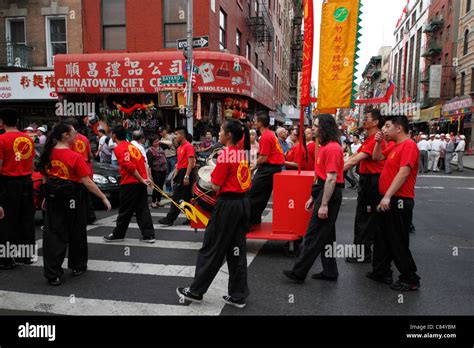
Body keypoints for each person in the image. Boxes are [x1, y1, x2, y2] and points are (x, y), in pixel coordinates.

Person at [177, 119, 252, 309]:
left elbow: (216, 185)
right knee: (237, 250)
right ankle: (238, 295)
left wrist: (213, 172)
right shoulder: (242, 154)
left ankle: (196, 291)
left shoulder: (226, 154)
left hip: (227, 205)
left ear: (228, 135)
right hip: (242, 204)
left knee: (212, 247)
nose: (219, 133)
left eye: (220, 130)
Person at [37, 122, 111, 286]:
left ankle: (53, 273)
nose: (77, 136)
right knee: (76, 231)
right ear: (65, 135)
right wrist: (103, 198)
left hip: (53, 196)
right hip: (73, 197)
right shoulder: (74, 157)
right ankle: (77, 265)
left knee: (54, 234)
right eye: (74, 133)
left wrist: (44, 197)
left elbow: (45, 177)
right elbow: (87, 182)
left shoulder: (47, 153)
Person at [283, 114, 344, 283]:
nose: (313, 128)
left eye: (316, 126)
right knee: (326, 236)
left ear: (325, 127)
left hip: (329, 194)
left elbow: (331, 178)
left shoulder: (331, 148)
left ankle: (298, 272)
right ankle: (330, 272)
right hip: (324, 191)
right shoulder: (325, 146)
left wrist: (324, 204)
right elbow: (323, 177)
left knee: (312, 235)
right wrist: (313, 196)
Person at [368, 115, 421, 291]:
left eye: (387, 126)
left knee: (397, 240)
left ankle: (410, 278)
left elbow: (404, 172)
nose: (384, 130)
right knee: (382, 238)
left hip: (399, 200)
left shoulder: (409, 145)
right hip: (389, 199)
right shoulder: (393, 146)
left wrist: (387, 196)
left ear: (399, 128)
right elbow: (376, 158)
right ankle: (381, 272)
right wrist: (378, 142)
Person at [343, 109, 386, 263]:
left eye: (367, 118)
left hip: (372, 182)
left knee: (365, 218)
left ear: (375, 122)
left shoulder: (375, 138)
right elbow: (353, 157)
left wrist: (333, 173)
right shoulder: (369, 139)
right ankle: (363, 251)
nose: (364, 120)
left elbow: (354, 161)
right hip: (368, 181)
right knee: (365, 217)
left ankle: (363, 254)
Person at [103, 126, 155, 243]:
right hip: (139, 182)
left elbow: (128, 166)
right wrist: (145, 178)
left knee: (125, 210)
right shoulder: (132, 146)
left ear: (114, 135)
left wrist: (142, 179)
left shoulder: (120, 148)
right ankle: (149, 235)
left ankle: (118, 234)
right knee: (142, 209)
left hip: (130, 183)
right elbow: (142, 162)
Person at [0, 108, 36, 269]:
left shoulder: (2, 140)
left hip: (8, 183)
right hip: (27, 181)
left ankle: (6, 259)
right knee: (26, 219)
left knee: (7, 220)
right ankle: (26, 256)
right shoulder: (28, 139)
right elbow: (32, 162)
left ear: (2, 122)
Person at [248, 111, 285, 226]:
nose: (254, 122)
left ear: (260, 123)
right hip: (272, 169)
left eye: (255, 120)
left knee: (252, 194)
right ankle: (254, 220)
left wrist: (253, 166)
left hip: (268, 169)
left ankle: (248, 222)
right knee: (262, 196)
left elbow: (264, 158)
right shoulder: (270, 134)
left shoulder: (265, 137)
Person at [159, 127, 196, 227]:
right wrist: (175, 175)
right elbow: (178, 163)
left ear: (182, 135)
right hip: (180, 172)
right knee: (187, 197)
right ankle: (191, 218)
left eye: (176, 134)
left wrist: (187, 176)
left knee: (177, 197)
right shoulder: (179, 148)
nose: (174, 137)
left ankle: (169, 219)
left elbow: (191, 162)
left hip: (186, 172)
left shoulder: (188, 146)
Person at [64, 118, 97, 225]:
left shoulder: (68, 139)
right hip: (86, 167)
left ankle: (77, 216)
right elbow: (89, 155)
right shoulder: (84, 139)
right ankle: (90, 216)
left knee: (74, 195)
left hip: (75, 169)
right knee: (86, 193)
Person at [147, 136, 167, 208]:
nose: (157, 143)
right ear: (151, 143)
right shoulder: (150, 151)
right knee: (157, 186)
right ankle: (153, 201)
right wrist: (149, 175)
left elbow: (170, 145)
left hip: (163, 169)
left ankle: (159, 200)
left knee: (161, 185)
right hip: (156, 170)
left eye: (158, 141)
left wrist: (160, 142)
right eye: (155, 141)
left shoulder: (161, 147)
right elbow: (149, 163)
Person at [159, 127, 177, 194]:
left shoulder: (171, 137)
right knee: (167, 174)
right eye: (160, 132)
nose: (161, 133)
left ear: (165, 131)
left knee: (173, 174)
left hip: (172, 157)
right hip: (166, 157)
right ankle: (168, 189)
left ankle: (174, 190)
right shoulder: (162, 139)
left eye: (162, 131)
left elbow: (170, 144)